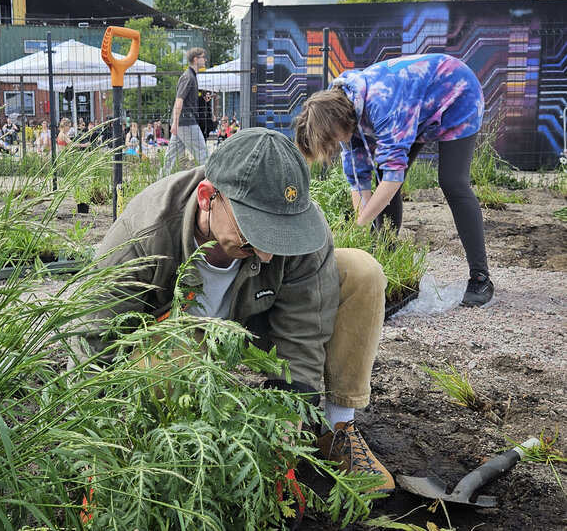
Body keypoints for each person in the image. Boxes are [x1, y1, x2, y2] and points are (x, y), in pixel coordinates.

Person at [72, 128, 395, 493]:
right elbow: (91, 339)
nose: (269, 254)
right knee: (179, 353)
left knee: (361, 272)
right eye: (256, 231)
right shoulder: (144, 232)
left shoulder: (301, 225)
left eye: (280, 233)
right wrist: (90, 451)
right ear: (208, 197)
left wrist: (287, 424)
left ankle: (337, 430)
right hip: (173, 339)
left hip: (256, 322)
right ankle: (171, 447)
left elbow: (305, 331)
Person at [292, 53, 493, 307]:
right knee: (380, 181)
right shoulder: (342, 111)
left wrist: (361, 223)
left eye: (333, 139)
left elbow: (393, 177)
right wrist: (361, 226)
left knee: (452, 181)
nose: (337, 144)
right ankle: (383, 258)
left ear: (340, 121)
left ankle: (480, 277)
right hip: (416, 107)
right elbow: (358, 178)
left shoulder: (382, 104)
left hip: (456, 91)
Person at [160, 48, 211, 177]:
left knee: (170, 157)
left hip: (182, 122)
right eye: (203, 57)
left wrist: (202, 99)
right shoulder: (188, 77)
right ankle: (212, 181)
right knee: (203, 154)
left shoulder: (191, 76)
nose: (205, 60)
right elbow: (179, 100)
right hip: (186, 122)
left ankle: (159, 181)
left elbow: (187, 100)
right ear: (195, 59)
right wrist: (175, 122)